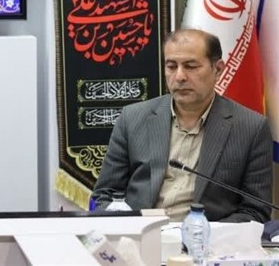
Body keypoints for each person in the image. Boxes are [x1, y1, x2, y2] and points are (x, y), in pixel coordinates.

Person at [92, 28, 271, 222]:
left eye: (191, 66)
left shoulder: (250, 127)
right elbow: (104, 195)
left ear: (218, 69)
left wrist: (201, 233)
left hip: (206, 237)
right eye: (171, 66)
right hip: (141, 235)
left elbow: (255, 211)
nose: (179, 77)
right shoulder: (133, 118)